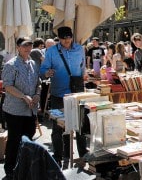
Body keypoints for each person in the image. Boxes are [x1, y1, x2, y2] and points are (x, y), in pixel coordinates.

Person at [40, 26, 88, 168]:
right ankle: (58, 156)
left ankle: (83, 155)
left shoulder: (80, 49)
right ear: (59, 39)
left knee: (80, 125)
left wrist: (84, 76)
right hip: (58, 94)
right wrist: (47, 73)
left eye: (69, 38)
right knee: (57, 128)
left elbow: (83, 67)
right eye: (63, 39)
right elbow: (42, 70)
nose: (67, 41)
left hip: (77, 93)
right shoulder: (52, 51)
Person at [2, 37, 41, 179]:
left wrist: (37, 94)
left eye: (29, 46)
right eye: (24, 46)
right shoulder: (11, 65)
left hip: (30, 109)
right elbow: (8, 86)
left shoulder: (33, 64)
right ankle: (10, 169)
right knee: (14, 140)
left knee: (28, 138)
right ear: (18, 47)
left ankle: (25, 166)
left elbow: (39, 83)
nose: (27, 48)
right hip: (15, 110)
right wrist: (24, 96)